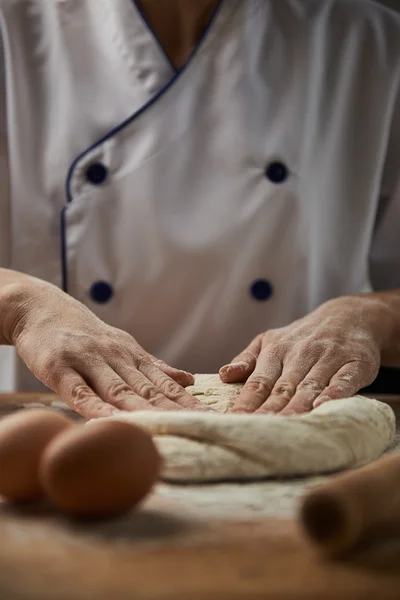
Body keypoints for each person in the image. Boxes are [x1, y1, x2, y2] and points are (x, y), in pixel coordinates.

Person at [1, 0, 400, 419]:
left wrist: (371, 316)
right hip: (60, 431)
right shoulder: (13, 29)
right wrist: (23, 306)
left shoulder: (372, 47)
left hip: (296, 427)